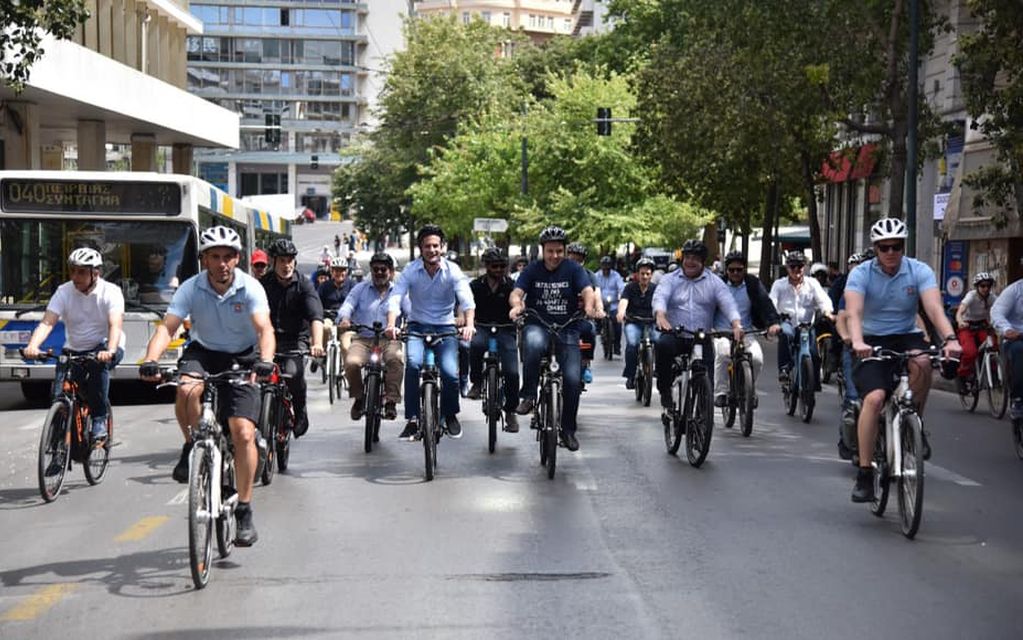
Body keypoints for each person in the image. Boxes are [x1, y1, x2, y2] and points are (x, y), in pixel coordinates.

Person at [139, 226, 274, 546]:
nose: (222, 263)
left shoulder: (250, 287)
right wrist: (150, 358)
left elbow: (264, 329)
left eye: (228, 257)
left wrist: (265, 361)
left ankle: (244, 510)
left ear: (238, 259)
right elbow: (167, 327)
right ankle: (191, 445)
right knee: (186, 390)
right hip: (203, 353)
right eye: (215, 257)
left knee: (242, 432)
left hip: (243, 357)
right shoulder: (190, 287)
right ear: (203, 260)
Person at [845, 218, 961, 503]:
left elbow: (933, 308)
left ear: (903, 247)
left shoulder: (918, 270)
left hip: (907, 334)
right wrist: (858, 342)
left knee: (922, 363)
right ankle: (864, 473)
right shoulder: (860, 274)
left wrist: (950, 339)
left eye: (896, 246)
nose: (890, 253)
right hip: (870, 338)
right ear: (875, 248)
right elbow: (854, 313)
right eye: (884, 247)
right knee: (874, 399)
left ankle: (914, 424)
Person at [509, 226, 599, 451]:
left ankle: (568, 431)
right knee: (532, 342)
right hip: (538, 324)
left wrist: (589, 306)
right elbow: (517, 292)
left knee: (571, 380)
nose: (555, 256)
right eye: (550, 251)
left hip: (567, 328)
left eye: (559, 251)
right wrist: (517, 306)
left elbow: (587, 290)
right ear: (543, 250)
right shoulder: (532, 269)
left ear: (565, 250)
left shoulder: (573, 269)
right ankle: (529, 395)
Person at [24, 248, 125, 443]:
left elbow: (115, 325)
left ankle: (99, 419)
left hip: (106, 345)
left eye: (81, 272)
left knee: (97, 366)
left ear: (95, 273)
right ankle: (55, 448)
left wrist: (110, 351)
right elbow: (47, 323)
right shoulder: (64, 291)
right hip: (75, 349)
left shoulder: (111, 292)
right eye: (73, 271)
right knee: (59, 395)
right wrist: (33, 346)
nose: (75, 276)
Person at [386, 224, 475, 440]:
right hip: (417, 327)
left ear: (442, 247)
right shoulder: (410, 270)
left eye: (436, 245)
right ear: (420, 249)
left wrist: (469, 324)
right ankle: (413, 419)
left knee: (449, 372)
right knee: (414, 365)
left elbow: (466, 299)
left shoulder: (452, 270)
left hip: (445, 328)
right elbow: (396, 296)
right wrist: (391, 324)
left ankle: (450, 414)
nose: (432, 250)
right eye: (427, 246)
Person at [653, 239, 742, 424]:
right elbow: (660, 296)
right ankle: (665, 392)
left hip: (701, 338)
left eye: (695, 258)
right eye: (687, 258)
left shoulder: (714, 282)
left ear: (703, 261)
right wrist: (660, 315)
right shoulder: (670, 279)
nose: (690, 262)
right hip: (676, 334)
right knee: (662, 345)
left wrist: (736, 324)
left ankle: (701, 417)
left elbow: (728, 302)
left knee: (705, 380)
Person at [260, 238, 325, 438]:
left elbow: (316, 316)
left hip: (295, 340)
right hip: (267, 338)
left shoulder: (304, 285)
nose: (287, 265)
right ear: (274, 262)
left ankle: (300, 411)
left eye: (290, 260)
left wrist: (317, 344)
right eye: (282, 260)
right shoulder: (263, 284)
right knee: (257, 378)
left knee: (293, 373)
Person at [338, 252, 407, 424]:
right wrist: (345, 319)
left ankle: (391, 401)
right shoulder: (360, 288)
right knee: (352, 362)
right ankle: (359, 398)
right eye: (375, 269)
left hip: (389, 340)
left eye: (383, 269)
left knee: (396, 359)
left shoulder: (399, 292)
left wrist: (407, 326)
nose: (379, 273)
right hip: (363, 339)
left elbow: (411, 312)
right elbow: (347, 305)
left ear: (391, 271)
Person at [711, 251, 781, 408]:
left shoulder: (753, 284)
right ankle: (721, 392)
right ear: (726, 270)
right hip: (722, 332)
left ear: (745, 270)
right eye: (731, 270)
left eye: (739, 270)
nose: (735, 273)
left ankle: (748, 389)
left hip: (746, 332)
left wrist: (772, 323)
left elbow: (765, 304)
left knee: (756, 358)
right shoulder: (718, 284)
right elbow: (707, 305)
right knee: (723, 354)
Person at [466, 248, 520, 432]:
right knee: (475, 345)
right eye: (494, 266)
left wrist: (519, 312)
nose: (499, 270)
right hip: (482, 326)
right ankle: (477, 382)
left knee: (512, 372)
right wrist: (464, 320)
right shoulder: (475, 286)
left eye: (502, 266)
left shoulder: (511, 286)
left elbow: (519, 302)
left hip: (505, 329)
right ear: (486, 266)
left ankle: (511, 411)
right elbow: (465, 306)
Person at [769, 250, 834, 385]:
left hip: (806, 325)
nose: (796, 270)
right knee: (785, 334)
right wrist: (773, 322)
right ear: (787, 268)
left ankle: (813, 384)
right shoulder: (779, 285)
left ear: (804, 267)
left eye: (800, 266)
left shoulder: (812, 283)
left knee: (814, 354)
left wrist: (827, 311)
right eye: (793, 266)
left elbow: (823, 299)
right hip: (787, 322)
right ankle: (784, 369)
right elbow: (772, 303)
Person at [617, 257, 659, 389]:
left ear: (651, 275)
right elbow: (624, 301)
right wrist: (621, 312)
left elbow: (661, 304)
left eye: (648, 274)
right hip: (633, 322)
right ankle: (630, 375)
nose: (645, 277)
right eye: (642, 274)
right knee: (632, 344)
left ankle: (658, 369)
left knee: (660, 342)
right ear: (637, 274)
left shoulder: (656, 289)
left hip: (651, 322)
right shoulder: (630, 288)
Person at [566, 243, 601, 384]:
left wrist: (599, 309)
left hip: (581, 317)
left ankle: (585, 364)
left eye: (579, 260)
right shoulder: (558, 274)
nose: (575, 263)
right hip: (560, 318)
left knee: (590, 330)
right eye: (572, 259)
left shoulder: (589, 275)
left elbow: (597, 294)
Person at [955, 272, 997, 383]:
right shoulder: (971, 296)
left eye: (988, 286)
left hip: (982, 325)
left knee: (993, 346)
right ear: (977, 287)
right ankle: (963, 375)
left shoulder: (992, 298)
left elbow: (999, 310)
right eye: (982, 286)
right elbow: (960, 311)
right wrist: (960, 321)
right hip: (967, 325)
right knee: (970, 352)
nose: (986, 289)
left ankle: (994, 373)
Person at [991, 276, 1023, 421]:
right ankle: (1018, 399)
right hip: (1016, 338)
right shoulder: (1014, 291)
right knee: (1019, 351)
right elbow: (997, 312)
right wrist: (1007, 329)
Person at [318, 256, 353, 354]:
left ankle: (345, 363)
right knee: (325, 327)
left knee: (346, 344)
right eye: (336, 270)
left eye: (342, 270)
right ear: (331, 271)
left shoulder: (352, 286)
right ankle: (322, 352)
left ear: (346, 271)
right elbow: (317, 302)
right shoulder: (324, 286)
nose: (339, 273)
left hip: (346, 320)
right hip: (329, 317)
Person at [594, 255, 625, 356]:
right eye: (604, 268)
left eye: (608, 268)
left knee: (618, 322)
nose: (606, 270)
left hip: (613, 304)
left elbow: (621, 288)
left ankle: (617, 346)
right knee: (596, 317)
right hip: (601, 304)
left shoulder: (616, 276)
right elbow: (593, 288)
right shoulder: (596, 276)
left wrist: (621, 295)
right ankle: (599, 329)